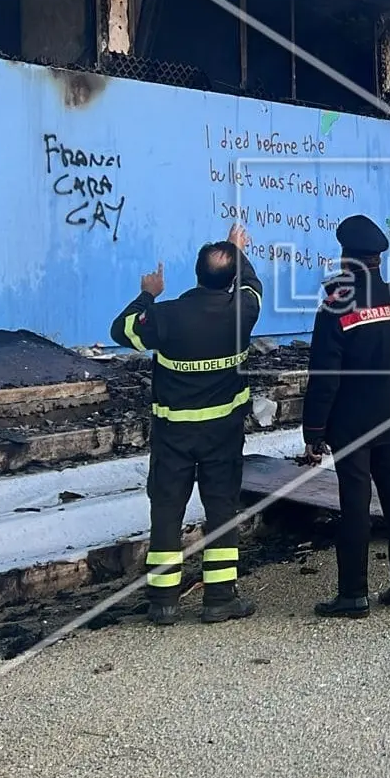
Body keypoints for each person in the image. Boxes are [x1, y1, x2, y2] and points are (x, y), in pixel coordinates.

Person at [110, 223, 262, 625]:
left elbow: (121, 330)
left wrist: (148, 293)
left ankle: (163, 603)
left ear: (196, 274)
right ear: (230, 280)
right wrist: (237, 249)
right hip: (223, 436)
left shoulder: (165, 316)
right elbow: (251, 285)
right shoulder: (241, 312)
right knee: (221, 511)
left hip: (173, 436)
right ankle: (219, 598)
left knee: (166, 513)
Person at [300, 215, 390, 618]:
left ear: (346, 261)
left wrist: (315, 430)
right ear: (378, 258)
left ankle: (353, 594)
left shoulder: (336, 306)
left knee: (355, 503)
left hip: (351, 425)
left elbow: (325, 375)